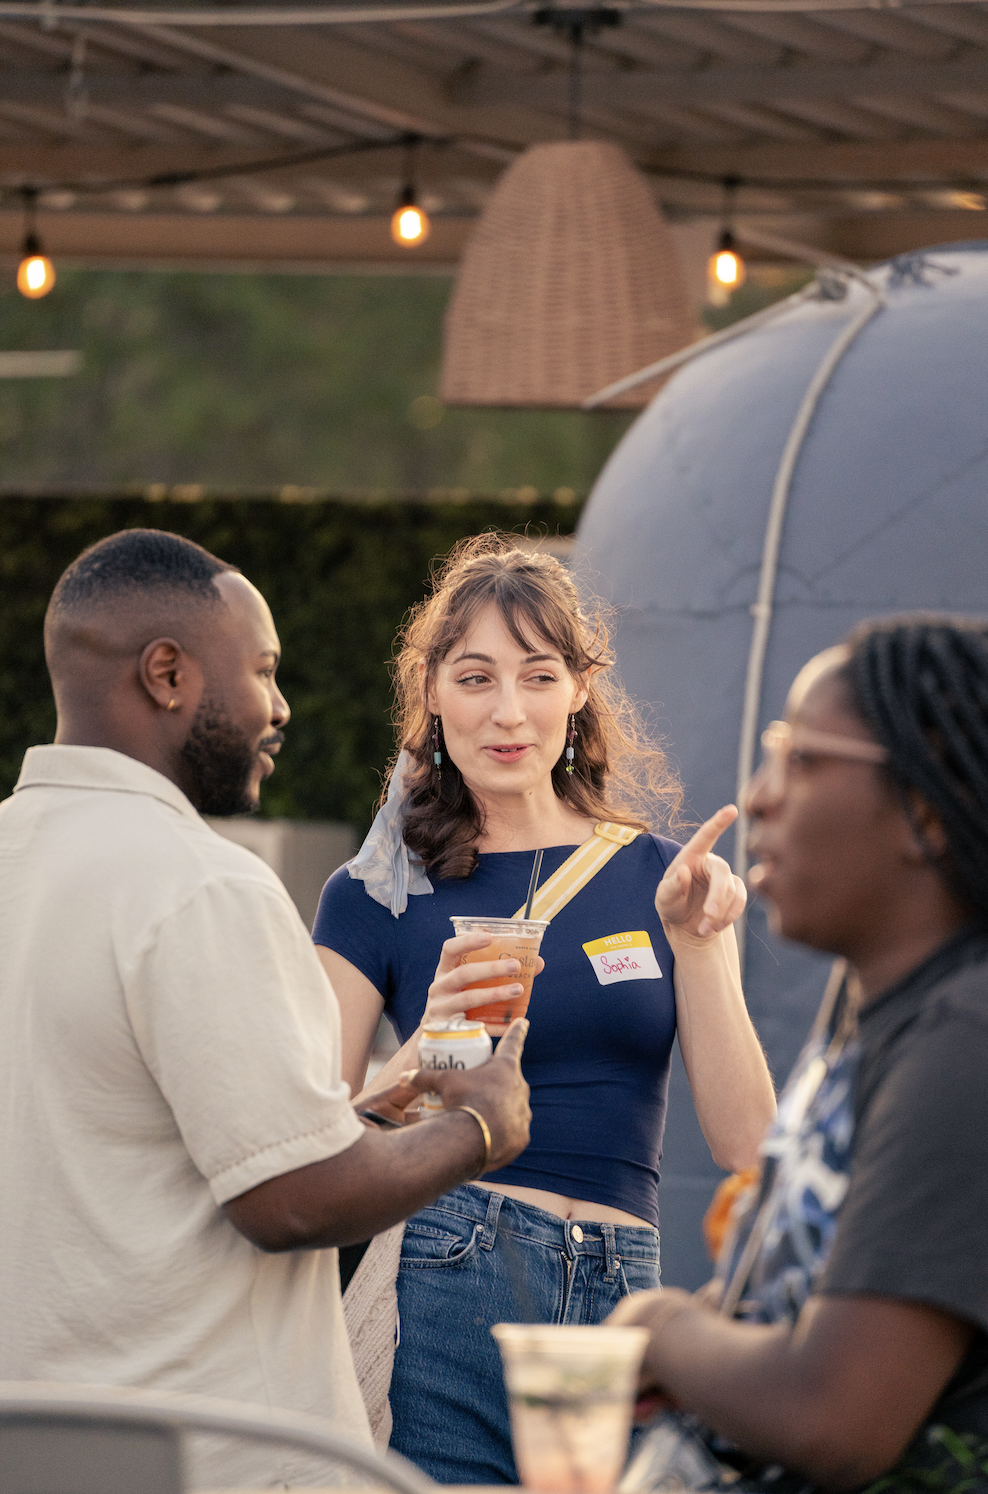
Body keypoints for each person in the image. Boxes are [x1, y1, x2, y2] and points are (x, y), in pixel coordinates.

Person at [0, 529, 531, 1491]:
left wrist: (369, 1112)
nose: (280, 708)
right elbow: (291, 1201)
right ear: (168, 674)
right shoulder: (200, 885)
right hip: (204, 1457)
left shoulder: (0, 861)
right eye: (265, 672)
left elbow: (123, 1151)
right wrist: (480, 1126)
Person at [313, 535, 776, 1485]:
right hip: (447, 1266)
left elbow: (748, 1144)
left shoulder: (661, 875)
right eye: (476, 678)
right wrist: (426, 1056)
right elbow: (311, 1136)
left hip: (619, 1287)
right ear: (433, 696)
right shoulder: (376, 893)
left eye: (538, 675)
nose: (508, 712)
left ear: (580, 690)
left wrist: (699, 943)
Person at [610, 614, 988, 1494]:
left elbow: (839, 1415)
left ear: (925, 809)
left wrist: (664, 1326)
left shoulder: (963, 1041)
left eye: (803, 760)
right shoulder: (873, 1000)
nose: (762, 795)